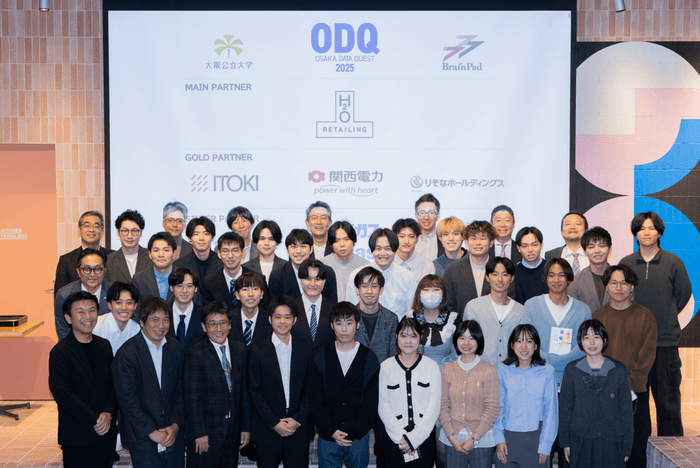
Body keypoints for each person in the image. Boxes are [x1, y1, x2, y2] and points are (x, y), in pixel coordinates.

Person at [619, 211, 692, 437]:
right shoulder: (626, 263)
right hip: (634, 344)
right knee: (636, 403)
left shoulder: (673, 262)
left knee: (668, 402)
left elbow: (683, 295)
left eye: (651, 228)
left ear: (659, 232)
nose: (646, 232)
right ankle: (638, 450)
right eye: (641, 228)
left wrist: (666, 314)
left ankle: (670, 450)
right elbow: (620, 296)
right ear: (635, 234)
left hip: (665, 342)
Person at [522, 258, 591, 468]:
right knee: (541, 445)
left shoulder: (582, 310)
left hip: (571, 383)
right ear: (545, 278)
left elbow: (584, 345)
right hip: (539, 381)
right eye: (551, 274)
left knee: (567, 443)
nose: (556, 279)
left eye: (561, 275)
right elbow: (527, 340)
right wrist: (548, 360)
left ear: (569, 278)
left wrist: (553, 360)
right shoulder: (531, 305)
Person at [593, 264, 657, 468]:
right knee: (606, 447)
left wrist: (630, 384)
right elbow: (593, 354)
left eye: (624, 283)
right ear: (607, 287)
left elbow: (647, 355)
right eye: (614, 283)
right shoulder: (597, 317)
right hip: (604, 391)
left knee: (636, 447)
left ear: (632, 287)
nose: (619, 288)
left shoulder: (645, 316)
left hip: (634, 392)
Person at [112, 297, 186, 468]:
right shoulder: (127, 353)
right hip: (142, 436)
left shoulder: (176, 349)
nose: (161, 325)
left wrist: (174, 426)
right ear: (142, 322)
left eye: (165, 320)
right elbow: (127, 400)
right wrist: (151, 432)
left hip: (173, 433)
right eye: (155, 319)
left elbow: (182, 391)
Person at [49, 291, 118, 468]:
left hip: (106, 432)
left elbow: (113, 384)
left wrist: (108, 413)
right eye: (81, 312)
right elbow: (62, 394)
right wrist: (95, 420)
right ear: (68, 318)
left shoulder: (104, 345)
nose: (88, 316)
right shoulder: (60, 352)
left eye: (92, 310)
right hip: (77, 434)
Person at [309, 302, 380, 468]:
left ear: (357, 324)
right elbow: (316, 399)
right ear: (332, 325)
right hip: (328, 436)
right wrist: (331, 430)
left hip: (358, 437)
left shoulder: (369, 358)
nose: (344, 329)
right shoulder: (320, 356)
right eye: (339, 323)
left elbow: (371, 402)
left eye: (349, 323)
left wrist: (354, 432)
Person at [248, 296, 315, 468]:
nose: (283, 322)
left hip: (298, 430)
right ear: (270, 319)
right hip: (267, 430)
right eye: (278, 317)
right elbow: (255, 392)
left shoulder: (306, 349)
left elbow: (311, 389)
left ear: (294, 320)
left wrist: (297, 420)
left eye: (287, 317)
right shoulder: (257, 351)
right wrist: (274, 423)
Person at [182, 301, 251, 468]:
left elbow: (244, 392)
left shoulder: (240, 350)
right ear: (204, 327)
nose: (218, 329)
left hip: (233, 433)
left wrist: (245, 427)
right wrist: (199, 433)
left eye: (223, 323)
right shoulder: (195, 353)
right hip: (206, 434)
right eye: (212, 324)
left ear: (230, 325)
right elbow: (192, 399)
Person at [559, 320, 633, 468]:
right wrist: (565, 442)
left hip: (611, 441)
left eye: (596, 337)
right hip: (580, 441)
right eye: (586, 337)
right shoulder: (572, 369)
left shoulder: (618, 369)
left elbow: (626, 411)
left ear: (604, 340)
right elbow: (565, 409)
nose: (591, 342)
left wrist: (627, 445)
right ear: (580, 341)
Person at [378, 317, 441, 467]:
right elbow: (382, 405)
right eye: (404, 335)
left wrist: (414, 438)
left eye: (413, 336)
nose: (408, 341)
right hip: (394, 440)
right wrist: (401, 438)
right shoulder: (386, 367)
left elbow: (434, 407)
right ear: (396, 337)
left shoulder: (431, 367)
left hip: (423, 439)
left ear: (421, 338)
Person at [493, 324, 558, 468]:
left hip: (537, 439)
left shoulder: (547, 371)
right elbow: (498, 407)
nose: (524, 346)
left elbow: (551, 412)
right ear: (512, 345)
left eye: (529, 341)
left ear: (536, 346)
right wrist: (499, 439)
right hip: (507, 439)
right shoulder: (502, 370)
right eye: (519, 341)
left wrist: (545, 445)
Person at [439, 320, 499, 468]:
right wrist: (451, 437)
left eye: (471, 338)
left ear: (479, 341)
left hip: (481, 439)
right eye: (462, 337)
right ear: (456, 340)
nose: (466, 343)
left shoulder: (488, 370)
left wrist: (475, 439)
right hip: (453, 438)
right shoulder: (447, 370)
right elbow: (442, 406)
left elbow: (492, 408)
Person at [464, 257, 525, 366]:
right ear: (487, 277)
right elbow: (465, 342)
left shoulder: (521, 311)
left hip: (511, 370)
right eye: (495, 274)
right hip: (479, 369)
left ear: (512, 278)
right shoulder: (473, 307)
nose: (500, 279)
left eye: (505, 275)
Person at [346, 228, 418, 318]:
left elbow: (411, 312)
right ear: (372, 250)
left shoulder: (407, 277)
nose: (383, 253)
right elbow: (350, 311)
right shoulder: (356, 275)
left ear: (395, 250)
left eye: (388, 248)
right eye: (378, 248)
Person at [55, 248, 112, 340]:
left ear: (104, 271)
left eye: (98, 269)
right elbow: (62, 330)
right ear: (78, 272)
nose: (92, 274)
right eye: (87, 269)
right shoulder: (64, 294)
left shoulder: (114, 293)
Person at [201, 232, 268, 310]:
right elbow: (209, 313)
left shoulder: (259, 280)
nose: (230, 256)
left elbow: (264, 310)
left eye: (235, 250)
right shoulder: (209, 283)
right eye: (225, 251)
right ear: (219, 254)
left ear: (242, 253)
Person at [269, 229, 339, 302]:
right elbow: (274, 306)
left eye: (303, 246)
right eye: (294, 246)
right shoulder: (277, 276)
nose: (298, 251)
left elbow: (331, 304)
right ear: (287, 250)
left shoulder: (327, 273)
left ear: (311, 249)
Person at [443, 221, 497, 314]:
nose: (478, 243)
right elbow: (448, 305)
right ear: (466, 242)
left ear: (491, 242)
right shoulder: (452, 271)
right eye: (473, 239)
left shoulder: (500, 268)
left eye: (483, 239)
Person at [406, 274, 460, 368]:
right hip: (415, 372)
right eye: (426, 290)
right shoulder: (409, 319)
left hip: (446, 373)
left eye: (436, 289)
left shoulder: (454, 320)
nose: (431, 294)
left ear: (443, 294)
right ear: (419, 294)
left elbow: (459, 354)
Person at [54, 210, 113, 295]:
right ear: (79, 229)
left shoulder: (113, 257)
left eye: (96, 226)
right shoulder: (66, 260)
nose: (91, 230)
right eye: (87, 225)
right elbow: (60, 295)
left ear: (102, 230)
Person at [353, 266, 399, 363]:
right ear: (357, 289)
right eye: (364, 286)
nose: (369, 291)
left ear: (381, 290)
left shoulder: (391, 319)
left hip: (384, 371)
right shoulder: (349, 317)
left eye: (374, 286)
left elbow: (394, 354)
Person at [173, 217, 222, 299]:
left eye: (206, 234)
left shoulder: (222, 263)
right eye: (196, 234)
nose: (201, 238)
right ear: (189, 238)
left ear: (213, 237)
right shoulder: (179, 265)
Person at [293, 259, 336, 350]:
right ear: (300, 280)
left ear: (324, 281)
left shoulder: (334, 309)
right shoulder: (291, 308)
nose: (312, 284)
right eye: (308, 279)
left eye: (317, 279)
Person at [321, 221, 369, 302]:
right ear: (331, 244)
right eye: (337, 240)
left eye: (346, 239)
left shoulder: (365, 266)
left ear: (354, 241)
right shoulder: (322, 265)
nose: (342, 244)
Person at [569, 227, 613, 313]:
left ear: (610, 249)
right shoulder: (575, 282)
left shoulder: (622, 279)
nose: (597, 251)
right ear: (585, 252)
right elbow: (574, 314)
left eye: (601, 246)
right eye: (591, 247)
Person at [93, 282, 141, 355]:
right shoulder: (96, 326)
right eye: (118, 302)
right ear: (109, 305)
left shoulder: (137, 330)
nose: (124, 308)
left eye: (129, 303)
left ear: (135, 306)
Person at [106, 209, 151, 284]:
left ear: (141, 233)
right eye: (125, 231)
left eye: (134, 231)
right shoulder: (108, 261)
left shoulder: (151, 257)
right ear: (118, 232)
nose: (129, 236)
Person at [132, 232, 177, 305]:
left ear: (174, 254)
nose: (161, 255)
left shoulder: (185, 278)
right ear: (150, 254)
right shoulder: (139, 280)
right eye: (156, 250)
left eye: (166, 250)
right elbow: (136, 308)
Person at [229, 272, 272, 347]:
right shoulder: (228, 319)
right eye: (245, 289)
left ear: (261, 294)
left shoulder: (270, 320)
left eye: (255, 289)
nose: (251, 294)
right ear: (237, 295)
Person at [166, 268, 205, 350]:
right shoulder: (163, 313)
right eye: (180, 286)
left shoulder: (204, 314)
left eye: (189, 286)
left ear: (195, 289)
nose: (185, 291)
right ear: (171, 288)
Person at [392, 218, 436, 283]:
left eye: (411, 236)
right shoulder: (386, 263)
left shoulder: (427, 265)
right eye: (402, 236)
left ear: (417, 239)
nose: (406, 241)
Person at [242, 220, 286, 284]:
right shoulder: (245, 268)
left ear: (277, 242)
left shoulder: (286, 267)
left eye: (271, 239)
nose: (266, 243)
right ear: (255, 242)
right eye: (262, 239)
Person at [513, 227, 548, 305]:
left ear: (541, 245)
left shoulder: (551, 270)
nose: (530, 250)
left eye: (534, 245)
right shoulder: (513, 274)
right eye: (525, 246)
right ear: (518, 248)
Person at [413, 193, 443, 261]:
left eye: (431, 213)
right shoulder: (409, 239)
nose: (426, 217)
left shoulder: (444, 239)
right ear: (416, 216)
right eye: (422, 213)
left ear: (438, 216)